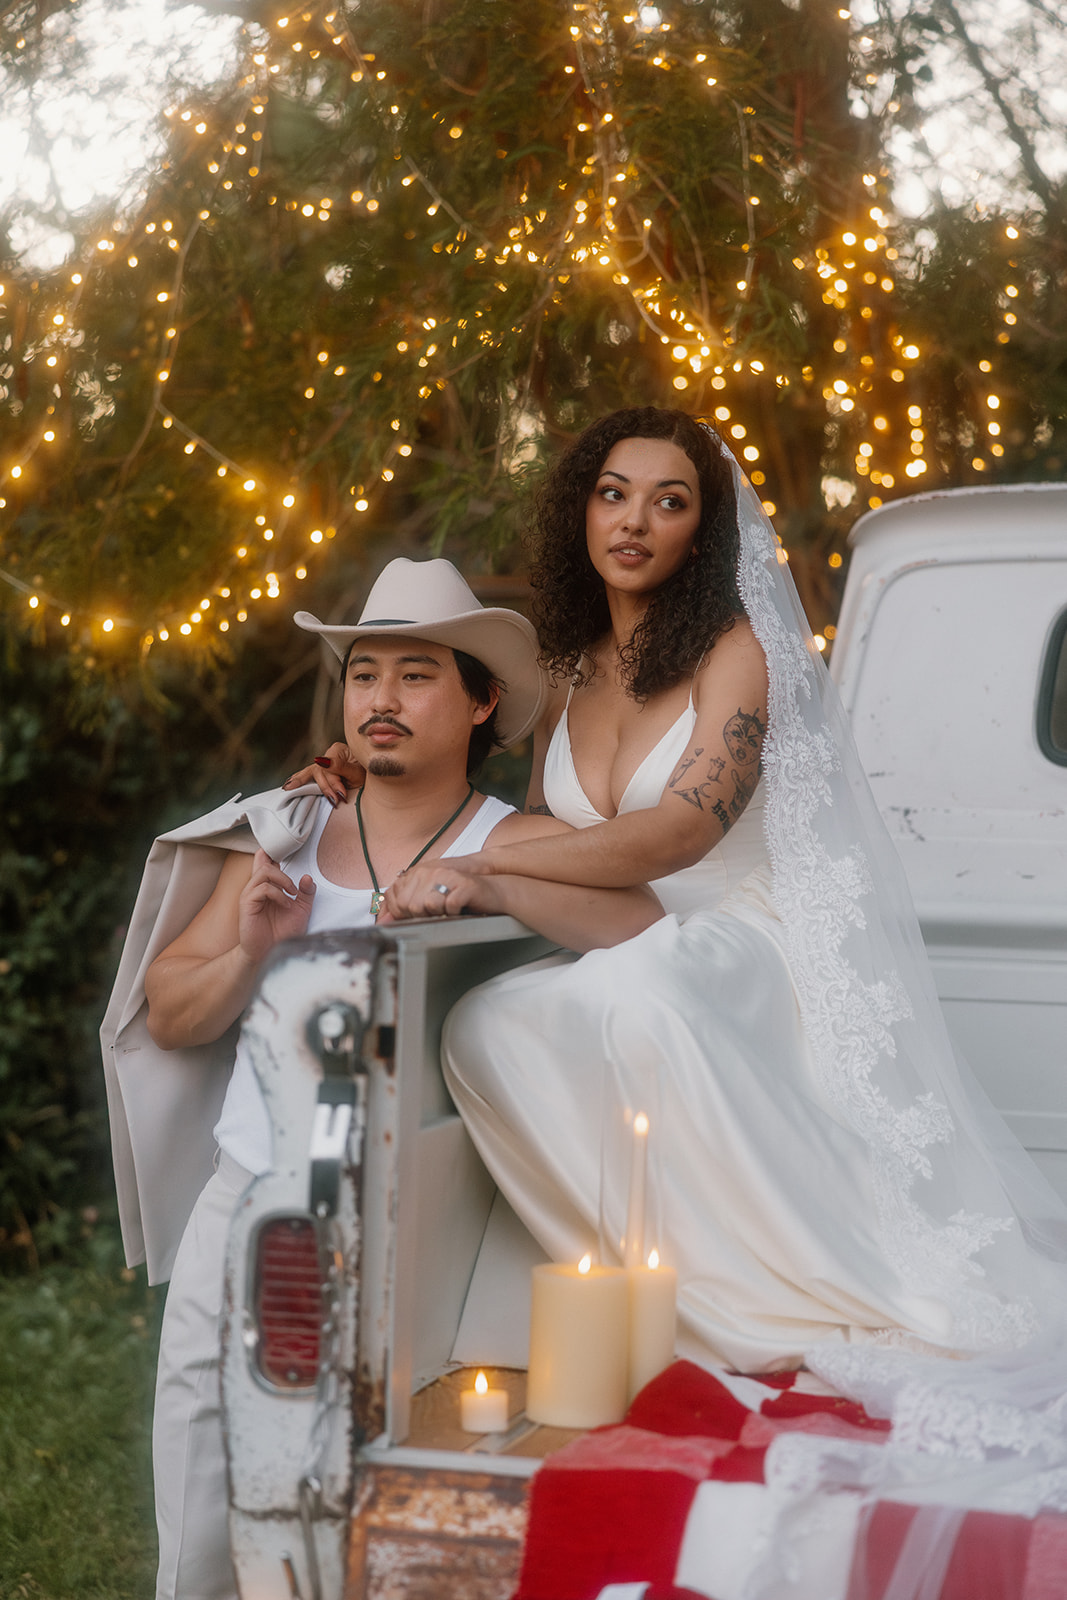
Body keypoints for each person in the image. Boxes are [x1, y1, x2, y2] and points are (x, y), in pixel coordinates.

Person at [301, 411, 1067, 1591]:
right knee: (486, 1022)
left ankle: (779, 1310)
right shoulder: (562, 669)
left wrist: (493, 870)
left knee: (639, 993)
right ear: (582, 511)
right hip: (627, 929)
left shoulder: (734, 649)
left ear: (703, 531)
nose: (635, 521)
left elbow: (678, 827)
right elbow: (532, 814)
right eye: (614, 494)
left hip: (744, 933)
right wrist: (371, 763)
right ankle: (673, 1296)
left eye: (670, 501)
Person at [101, 556, 661, 1600]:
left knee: (341, 1473)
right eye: (363, 675)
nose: (380, 701)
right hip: (245, 1191)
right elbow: (172, 1014)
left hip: (398, 1209)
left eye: (415, 675)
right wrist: (252, 948)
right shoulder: (288, 832)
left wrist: (487, 881)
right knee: (197, 1440)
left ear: (480, 699)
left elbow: (642, 925)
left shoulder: (513, 838)